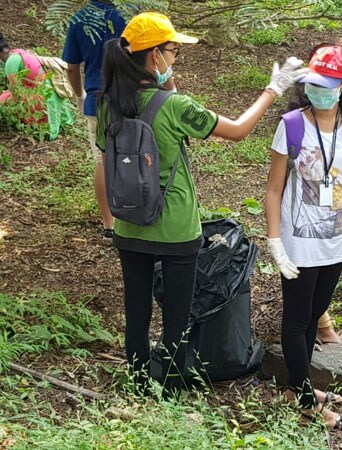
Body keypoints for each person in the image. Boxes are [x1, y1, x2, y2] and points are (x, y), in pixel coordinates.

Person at [96, 12, 307, 392]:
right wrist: (273, 89)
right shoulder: (176, 107)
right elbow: (238, 130)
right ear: (154, 55)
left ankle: (141, 385)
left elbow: (107, 154)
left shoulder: (108, 103)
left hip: (128, 224)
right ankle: (173, 389)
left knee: (137, 312)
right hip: (176, 228)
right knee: (177, 315)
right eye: (173, 51)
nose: (176, 58)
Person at [264, 44, 342, 430]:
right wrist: (275, 241)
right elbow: (273, 188)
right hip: (298, 241)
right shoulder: (292, 125)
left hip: (336, 238)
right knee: (298, 318)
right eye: (314, 84)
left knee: (316, 309)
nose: (320, 91)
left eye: (328, 84)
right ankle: (305, 401)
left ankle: (297, 387)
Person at [63, 1, 127, 239]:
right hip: (129, 98)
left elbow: (72, 67)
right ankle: (135, 216)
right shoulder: (128, 14)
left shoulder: (78, 19)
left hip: (96, 100)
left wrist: (79, 95)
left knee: (103, 160)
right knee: (135, 154)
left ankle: (109, 225)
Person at [0, 33, 74, 140]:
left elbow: (16, 94)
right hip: (53, 96)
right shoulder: (19, 53)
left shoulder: (10, 63)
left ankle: (34, 123)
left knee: (4, 98)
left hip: (44, 99)